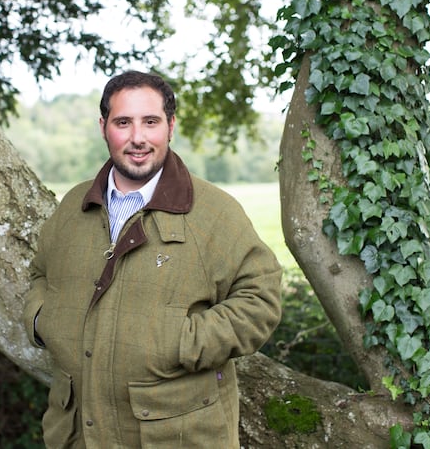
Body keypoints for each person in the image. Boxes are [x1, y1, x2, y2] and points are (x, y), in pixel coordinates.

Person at [23, 70, 283, 448]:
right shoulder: (72, 209)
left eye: (150, 122)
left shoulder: (214, 213)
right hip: (79, 432)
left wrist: (181, 342)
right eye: (123, 122)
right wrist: (43, 320)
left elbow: (260, 300)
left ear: (171, 126)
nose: (137, 138)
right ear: (103, 127)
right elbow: (40, 274)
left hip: (175, 436)